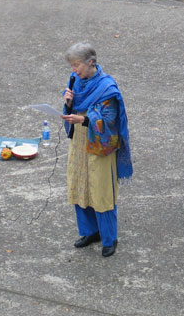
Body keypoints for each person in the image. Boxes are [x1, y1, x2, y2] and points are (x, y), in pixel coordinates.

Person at [61, 42, 133, 257]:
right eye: (72, 65)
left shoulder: (107, 88)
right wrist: (69, 102)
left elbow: (110, 120)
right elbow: (72, 109)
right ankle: (90, 231)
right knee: (80, 187)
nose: (73, 70)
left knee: (101, 192)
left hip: (100, 145)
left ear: (90, 63)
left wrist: (83, 119)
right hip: (80, 143)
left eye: (76, 65)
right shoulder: (76, 82)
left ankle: (109, 238)